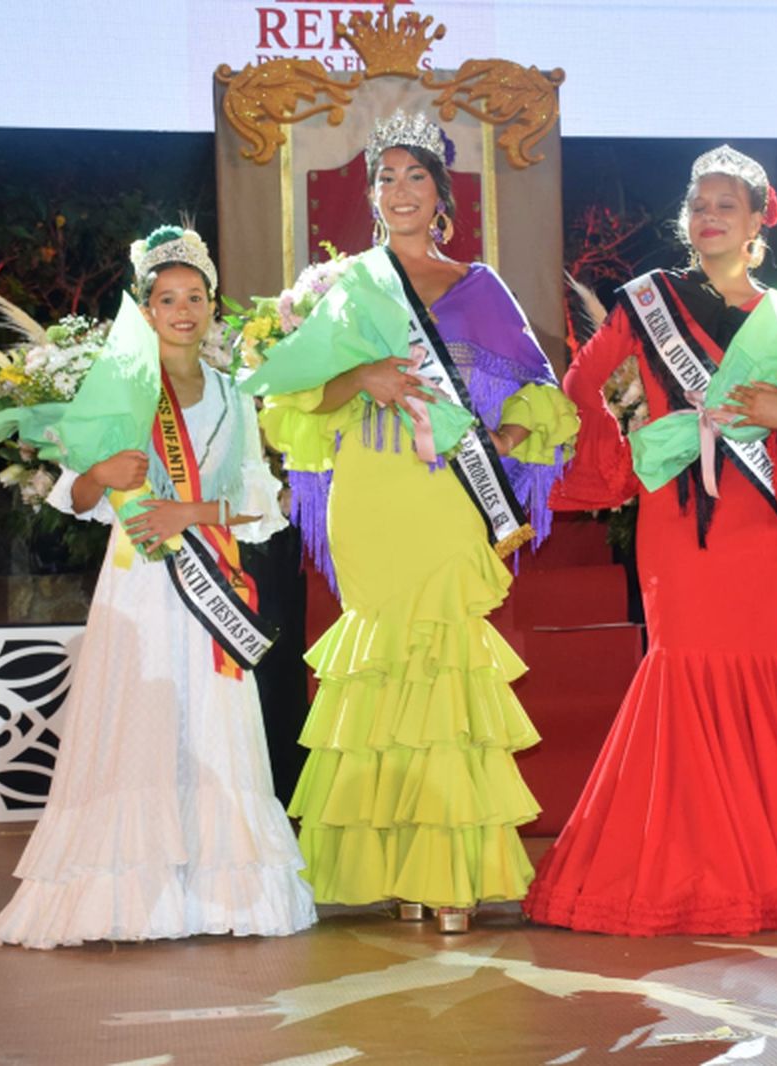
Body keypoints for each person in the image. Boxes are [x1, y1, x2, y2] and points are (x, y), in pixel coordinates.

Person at [522, 147, 777, 937]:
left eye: (726, 205)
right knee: (680, 668)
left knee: (751, 669)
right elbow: (580, 386)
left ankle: (763, 864)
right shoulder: (649, 300)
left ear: (756, 221)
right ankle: (678, 865)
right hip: (677, 515)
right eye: (699, 204)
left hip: (754, 522)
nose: (708, 216)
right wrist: (628, 450)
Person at [248, 112, 578, 932]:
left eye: (415, 177)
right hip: (370, 485)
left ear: (442, 195)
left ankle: (450, 875)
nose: (399, 191)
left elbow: (544, 393)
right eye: (384, 178)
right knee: (382, 672)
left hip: (448, 494)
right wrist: (362, 373)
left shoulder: (479, 286)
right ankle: (398, 871)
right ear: (371, 197)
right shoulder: (349, 285)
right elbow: (294, 396)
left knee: (443, 665)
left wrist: (498, 438)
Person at [0, 226, 317, 948]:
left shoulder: (234, 397)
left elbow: (262, 505)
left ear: (212, 306)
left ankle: (217, 891)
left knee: (210, 724)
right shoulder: (123, 387)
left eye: (195, 296)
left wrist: (189, 512)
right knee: (137, 721)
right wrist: (101, 477)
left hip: (213, 586)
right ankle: (132, 896)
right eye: (167, 298)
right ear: (146, 308)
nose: (182, 309)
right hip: (139, 584)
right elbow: (73, 496)